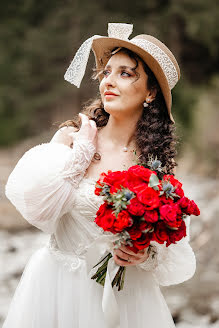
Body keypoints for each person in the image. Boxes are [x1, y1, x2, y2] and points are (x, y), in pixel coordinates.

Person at [3, 23, 196, 328]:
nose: (109, 81)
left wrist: (143, 255)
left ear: (150, 92)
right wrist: (76, 159)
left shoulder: (153, 170)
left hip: (125, 300)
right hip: (58, 287)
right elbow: (37, 209)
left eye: (125, 73)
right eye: (107, 72)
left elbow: (171, 259)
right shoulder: (74, 138)